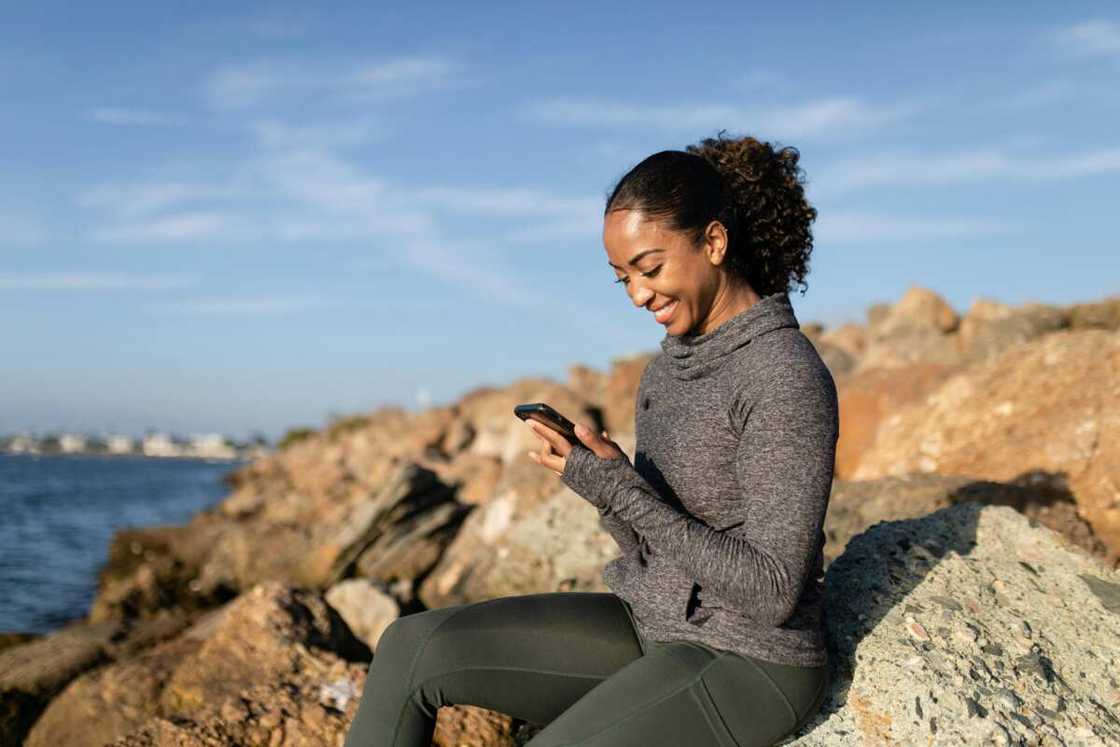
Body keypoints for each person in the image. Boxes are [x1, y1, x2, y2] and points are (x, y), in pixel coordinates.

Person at [343, 133, 838, 746]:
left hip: (748, 662)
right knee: (410, 647)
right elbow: (652, 548)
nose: (637, 294)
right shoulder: (667, 371)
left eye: (650, 268)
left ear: (714, 242)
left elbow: (771, 591)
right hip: (651, 627)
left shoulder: (784, 376)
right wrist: (605, 485)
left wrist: (624, 493)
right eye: (622, 277)